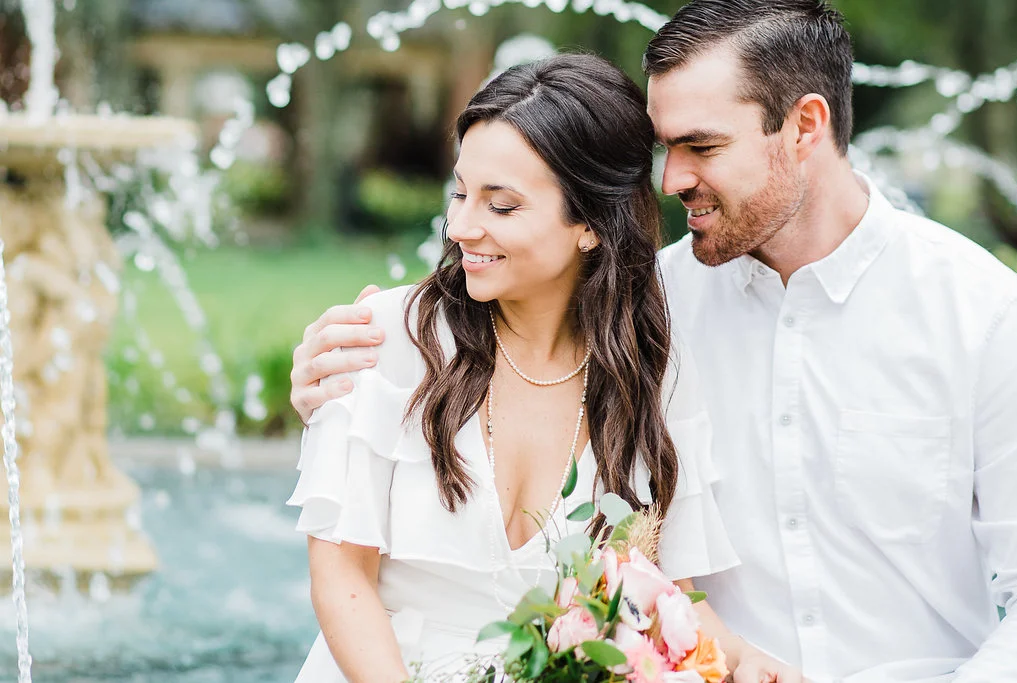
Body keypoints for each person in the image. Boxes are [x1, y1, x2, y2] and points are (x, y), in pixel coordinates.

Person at [290, 2, 1017, 682]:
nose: (670, 180)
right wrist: (329, 397)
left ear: (805, 126)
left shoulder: (985, 317)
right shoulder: (644, 313)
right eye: (664, 147)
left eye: (700, 145)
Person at [287, 53, 794, 683]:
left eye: (501, 206)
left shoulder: (650, 371)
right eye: (461, 193)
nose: (462, 226)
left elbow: (655, 594)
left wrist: (744, 660)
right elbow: (341, 579)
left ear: (589, 225)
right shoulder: (385, 338)